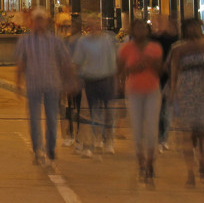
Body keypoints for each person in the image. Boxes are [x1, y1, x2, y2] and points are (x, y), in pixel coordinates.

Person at [16, 8, 73, 170]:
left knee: (52, 119)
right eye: (37, 20)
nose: (39, 23)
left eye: (42, 20)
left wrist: (69, 81)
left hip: (52, 84)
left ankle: (51, 149)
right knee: (34, 119)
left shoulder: (55, 41)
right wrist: (18, 82)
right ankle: (37, 149)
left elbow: (65, 61)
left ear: (47, 22)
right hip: (33, 85)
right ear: (32, 22)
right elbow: (21, 63)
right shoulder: (25, 41)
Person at [167, 17, 204, 187]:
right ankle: (191, 172)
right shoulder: (178, 49)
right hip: (187, 91)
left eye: (197, 27)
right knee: (187, 134)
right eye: (191, 28)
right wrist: (173, 92)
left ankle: (203, 163)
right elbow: (174, 71)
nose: (194, 30)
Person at [117, 19, 163, 185]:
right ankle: (140, 162)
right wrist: (133, 69)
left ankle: (150, 161)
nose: (141, 31)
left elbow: (160, 70)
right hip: (134, 91)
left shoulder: (155, 48)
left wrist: (151, 63)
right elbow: (120, 69)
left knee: (151, 129)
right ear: (132, 31)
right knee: (137, 128)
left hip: (152, 90)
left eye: (143, 28)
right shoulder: (126, 49)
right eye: (137, 28)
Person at [72, 14, 118, 157]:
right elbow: (78, 61)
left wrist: (115, 80)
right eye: (92, 24)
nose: (95, 27)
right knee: (93, 112)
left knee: (108, 111)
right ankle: (95, 139)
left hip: (105, 78)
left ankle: (108, 140)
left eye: (97, 24)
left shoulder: (107, 41)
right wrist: (76, 79)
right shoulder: (83, 42)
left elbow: (112, 61)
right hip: (90, 79)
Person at [150, 14, 179, 151]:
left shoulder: (173, 39)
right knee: (158, 110)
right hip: (154, 78)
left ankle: (163, 138)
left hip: (168, 78)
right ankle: (159, 138)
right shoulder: (152, 38)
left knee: (166, 110)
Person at [61, 19, 83, 151]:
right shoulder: (67, 42)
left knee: (79, 109)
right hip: (69, 78)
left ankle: (77, 135)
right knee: (69, 107)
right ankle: (70, 134)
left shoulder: (82, 42)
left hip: (79, 78)